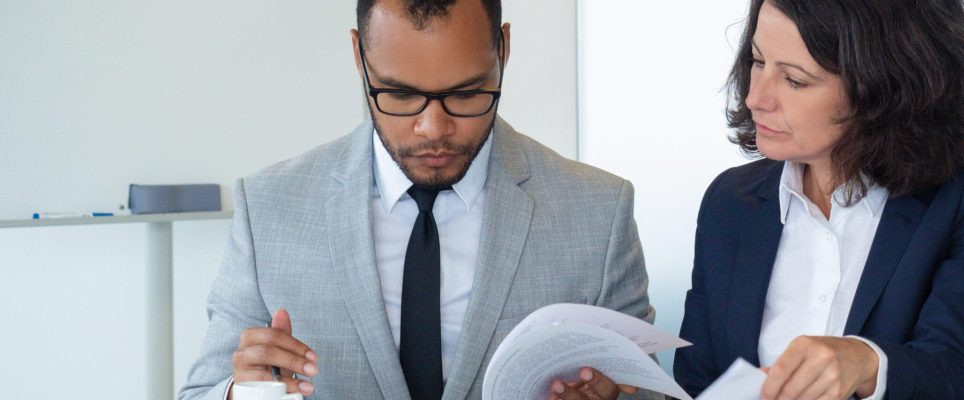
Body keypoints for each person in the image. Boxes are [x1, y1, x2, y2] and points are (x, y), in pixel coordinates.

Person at [178, 1, 658, 399]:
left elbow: (648, 389)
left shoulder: (599, 210)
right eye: (401, 94)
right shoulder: (268, 208)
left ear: (504, 49)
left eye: (467, 93)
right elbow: (201, 391)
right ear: (359, 56)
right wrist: (239, 393)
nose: (433, 129)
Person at [673, 0, 964, 399]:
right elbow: (697, 384)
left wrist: (865, 363)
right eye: (758, 62)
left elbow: (955, 369)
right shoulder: (731, 202)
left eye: (795, 80)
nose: (755, 98)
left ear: (883, 88)